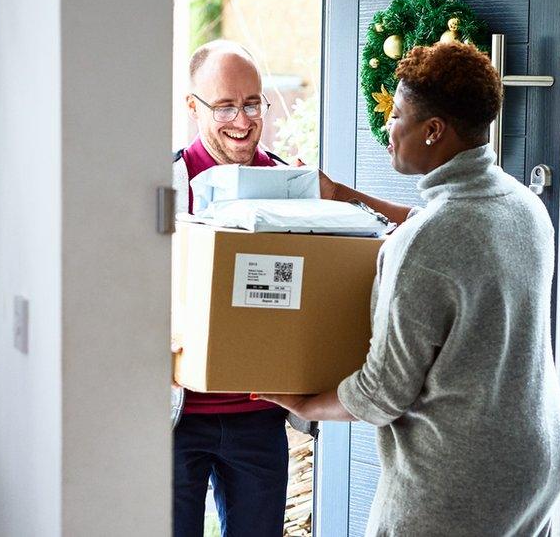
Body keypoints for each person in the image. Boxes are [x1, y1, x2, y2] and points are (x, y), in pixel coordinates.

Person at [257, 42, 560, 536]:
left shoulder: (428, 246)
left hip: (461, 477)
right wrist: (342, 195)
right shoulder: (520, 204)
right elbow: (446, 232)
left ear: (433, 131)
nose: (388, 126)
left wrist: (304, 404)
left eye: (397, 114)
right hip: (537, 461)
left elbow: (382, 394)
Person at [171, 39, 410, 537]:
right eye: (225, 106)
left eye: (253, 103)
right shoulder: (165, 185)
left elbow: (340, 271)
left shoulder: (291, 185)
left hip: (260, 416)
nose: (243, 120)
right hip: (175, 419)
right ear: (193, 107)